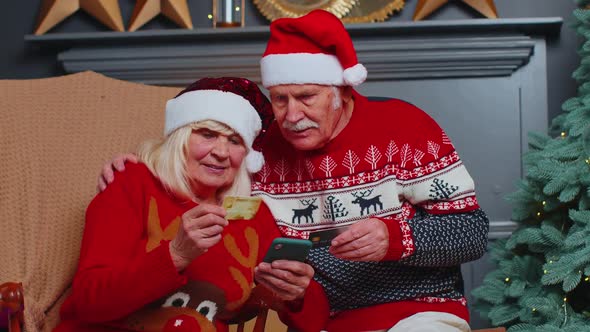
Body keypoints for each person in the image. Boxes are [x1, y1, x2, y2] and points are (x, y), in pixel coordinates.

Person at [98, 10, 489, 332]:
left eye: (306, 98)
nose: (292, 115)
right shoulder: (260, 153)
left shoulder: (406, 128)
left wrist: (394, 238)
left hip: (416, 313)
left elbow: (472, 234)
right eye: (280, 99)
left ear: (343, 93)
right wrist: (141, 164)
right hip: (316, 321)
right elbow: (202, 165)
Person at [55, 77, 319, 332]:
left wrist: (297, 295)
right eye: (207, 134)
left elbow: (315, 321)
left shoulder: (250, 213)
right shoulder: (132, 182)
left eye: (235, 141)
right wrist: (176, 255)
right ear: (180, 137)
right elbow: (90, 302)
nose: (221, 152)